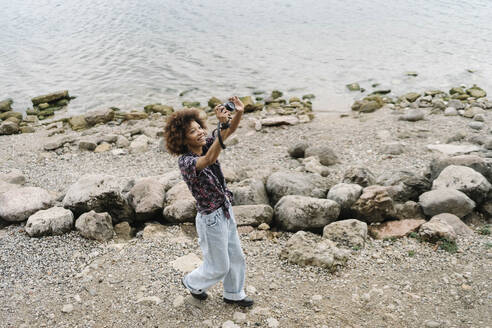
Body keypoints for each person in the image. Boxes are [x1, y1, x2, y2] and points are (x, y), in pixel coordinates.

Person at [163, 96, 254, 307]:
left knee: (236, 257)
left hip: (225, 209)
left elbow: (227, 132)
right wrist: (221, 126)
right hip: (210, 220)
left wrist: (237, 113)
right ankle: (192, 282)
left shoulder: (207, 145)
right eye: (193, 132)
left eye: (199, 128)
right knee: (218, 266)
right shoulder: (186, 161)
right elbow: (209, 160)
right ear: (183, 140)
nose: (201, 132)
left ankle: (233, 293)